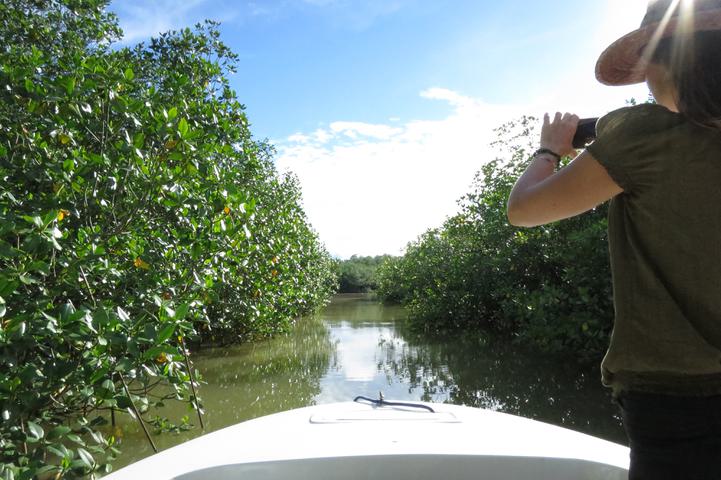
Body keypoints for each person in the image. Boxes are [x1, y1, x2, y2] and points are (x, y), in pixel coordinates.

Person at [506, 0, 721, 478]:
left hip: (678, 397)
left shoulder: (643, 137)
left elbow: (523, 210)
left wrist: (549, 149)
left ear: (672, 61)